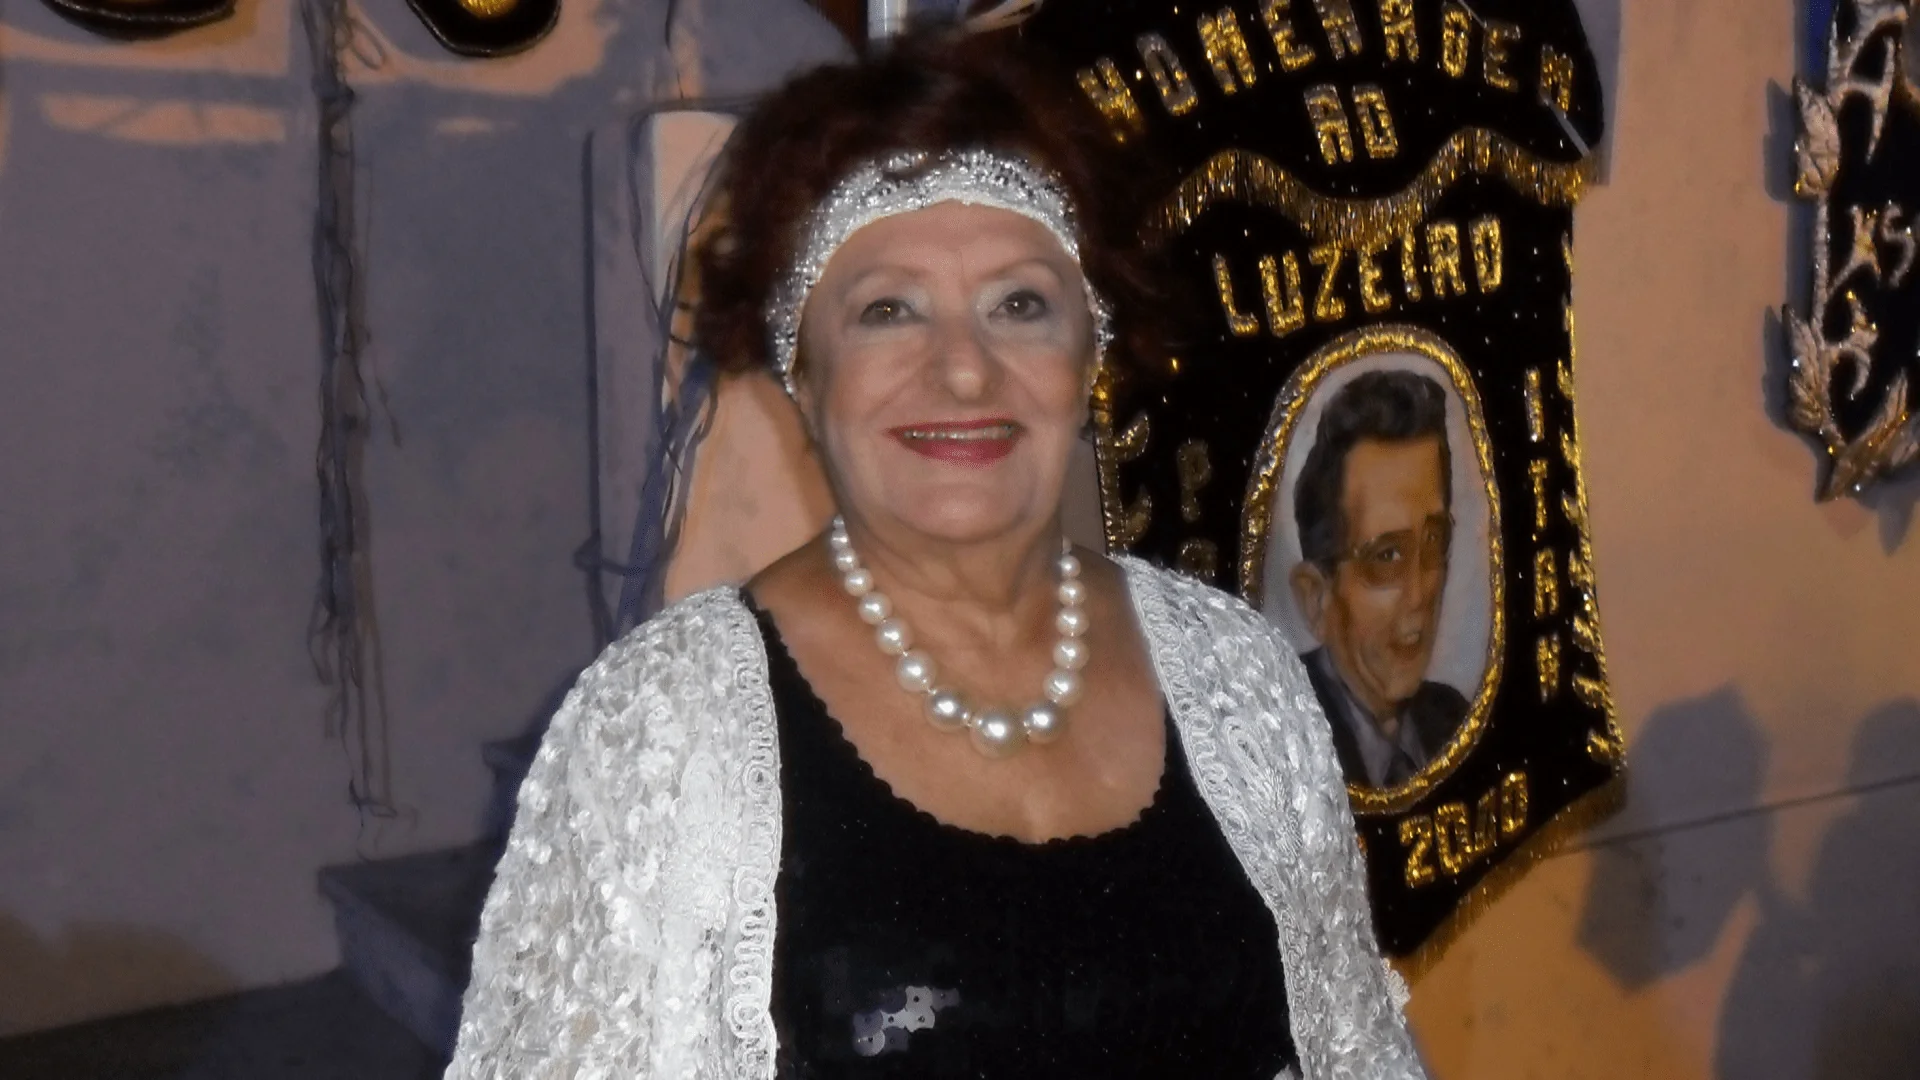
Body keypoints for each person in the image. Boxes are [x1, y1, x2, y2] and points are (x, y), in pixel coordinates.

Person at [445, 32, 1424, 1079]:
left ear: (1089, 352)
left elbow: (1353, 1054)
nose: (963, 371)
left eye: (1019, 305)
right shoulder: (664, 725)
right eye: (888, 311)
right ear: (802, 375)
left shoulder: (1241, 676)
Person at [1287, 370, 1469, 790]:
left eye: (1434, 540)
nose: (1420, 592)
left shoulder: (1453, 720)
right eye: (1387, 556)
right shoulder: (1286, 742)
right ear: (1316, 598)